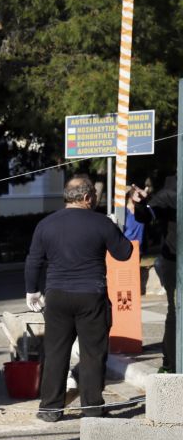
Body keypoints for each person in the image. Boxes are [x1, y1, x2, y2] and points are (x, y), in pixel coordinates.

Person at [25, 176, 133, 422]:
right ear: (86, 198)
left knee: (55, 352)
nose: (95, 199)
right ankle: (92, 407)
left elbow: (33, 261)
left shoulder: (45, 224)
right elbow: (124, 253)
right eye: (94, 196)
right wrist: (115, 228)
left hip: (56, 296)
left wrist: (32, 290)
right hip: (91, 295)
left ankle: (50, 409)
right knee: (93, 353)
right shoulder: (101, 223)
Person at [133, 173, 177, 373]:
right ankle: (171, 364)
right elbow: (146, 215)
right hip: (175, 263)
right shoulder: (170, 192)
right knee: (176, 311)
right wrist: (141, 204)